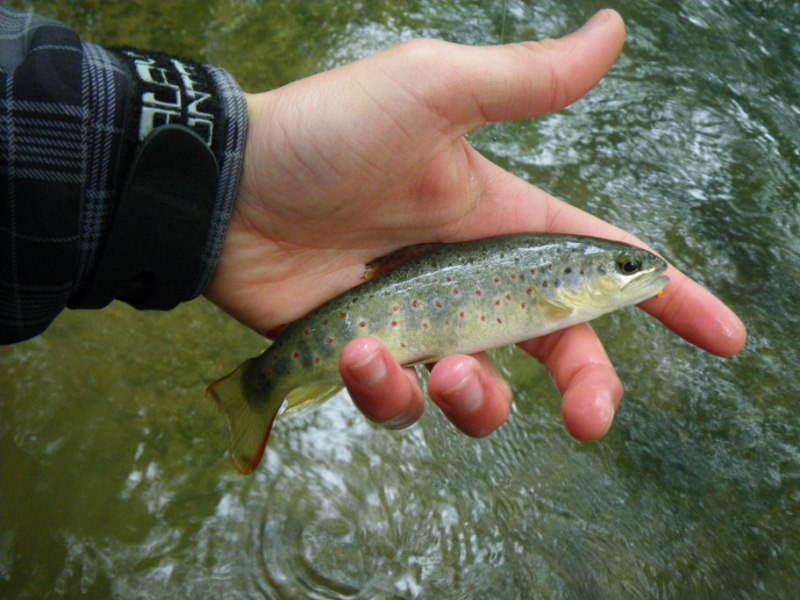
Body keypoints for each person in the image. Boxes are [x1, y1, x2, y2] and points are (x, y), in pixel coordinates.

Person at [0, 8, 746, 444]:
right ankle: (257, 389)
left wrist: (214, 176)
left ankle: (259, 387)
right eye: (621, 270)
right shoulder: (551, 284)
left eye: (627, 270)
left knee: (434, 377)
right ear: (568, 282)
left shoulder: (558, 277)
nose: (637, 277)